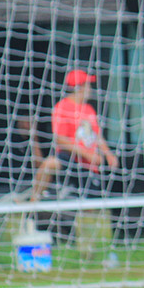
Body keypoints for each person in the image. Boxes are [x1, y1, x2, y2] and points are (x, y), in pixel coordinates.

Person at [32, 69, 118, 201]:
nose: (90, 89)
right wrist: (86, 153)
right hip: (71, 159)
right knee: (50, 164)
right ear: (79, 87)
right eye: (88, 85)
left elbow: (97, 136)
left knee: (90, 208)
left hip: (89, 166)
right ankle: (33, 203)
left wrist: (108, 154)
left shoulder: (89, 109)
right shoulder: (62, 107)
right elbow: (60, 140)